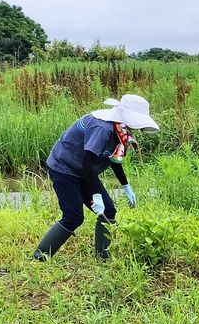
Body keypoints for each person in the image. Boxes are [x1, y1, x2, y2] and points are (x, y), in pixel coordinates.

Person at [32, 94, 159, 262]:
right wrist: (96, 196)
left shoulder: (119, 129)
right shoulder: (103, 128)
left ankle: (103, 257)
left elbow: (113, 158)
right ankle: (39, 257)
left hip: (84, 170)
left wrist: (126, 186)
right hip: (64, 168)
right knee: (73, 217)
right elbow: (87, 163)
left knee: (108, 210)